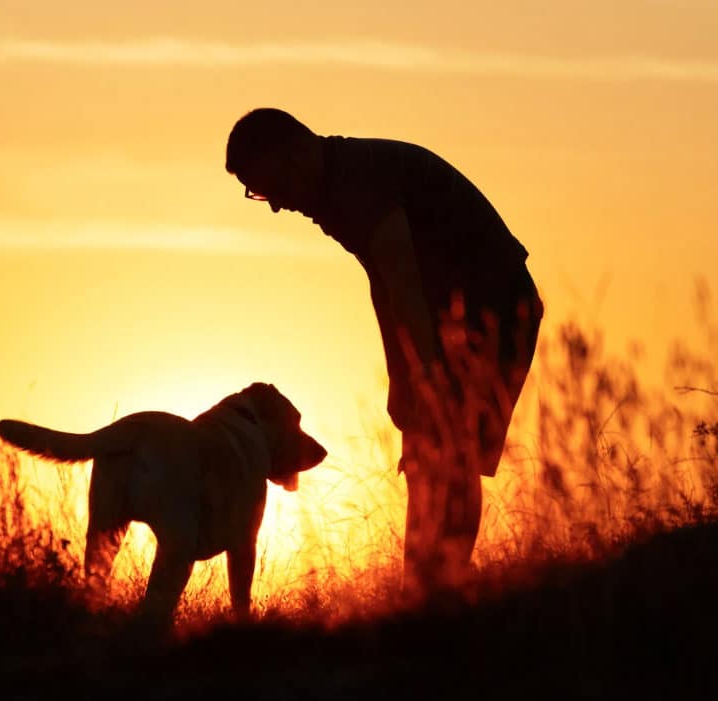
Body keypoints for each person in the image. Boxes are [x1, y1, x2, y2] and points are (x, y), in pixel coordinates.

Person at [225, 108, 542, 599]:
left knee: (448, 454)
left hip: (494, 309)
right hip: (451, 314)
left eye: (269, 187)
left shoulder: (356, 180)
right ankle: (426, 592)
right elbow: (384, 283)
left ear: (293, 152)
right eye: (260, 194)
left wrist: (426, 377)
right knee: (429, 453)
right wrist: (401, 375)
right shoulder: (333, 187)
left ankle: (436, 594)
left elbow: (403, 278)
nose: (276, 206)